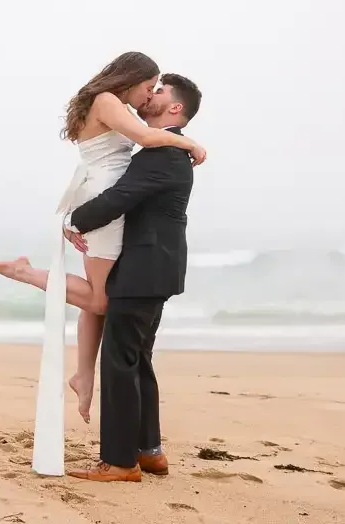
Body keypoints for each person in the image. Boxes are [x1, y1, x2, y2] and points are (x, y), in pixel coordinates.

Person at [0, 53, 206, 424]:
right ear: (132, 78)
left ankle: (83, 375)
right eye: (148, 86)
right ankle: (26, 273)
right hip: (105, 202)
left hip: (103, 196)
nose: (148, 95)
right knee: (101, 300)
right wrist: (190, 144)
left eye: (156, 89)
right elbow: (147, 137)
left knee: (97, 295)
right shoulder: (107, 102)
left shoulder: (112, 104)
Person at [66, 73, 201, 482]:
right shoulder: (169, 151)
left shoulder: (162, 153)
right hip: (157, 267)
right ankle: (149, 451)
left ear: (175, 108)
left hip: (143, 268)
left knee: (120, 361)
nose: (150, 94)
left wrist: (74, 220)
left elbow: (119, 198)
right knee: (137, 359)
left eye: (159, 91)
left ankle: (120, 462)